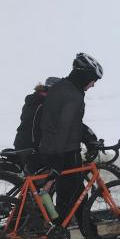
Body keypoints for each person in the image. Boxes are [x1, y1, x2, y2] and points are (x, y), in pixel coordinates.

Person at [39, 54, 104, 225]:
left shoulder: (59, 87)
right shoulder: (74, 95)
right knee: (69, 201)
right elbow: (64, 128)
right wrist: (59, 160)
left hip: (48, 148)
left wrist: (88, 138)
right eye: (93, 80)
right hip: (66, 153)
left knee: (76, 197)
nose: (93, 84)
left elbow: (64, 123)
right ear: (85, 77)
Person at [12, 76, 61, 172]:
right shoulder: (45, 103)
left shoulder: (34, 100)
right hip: (33, 147)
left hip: (21, 143)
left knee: (34, 179)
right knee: (54, 171)